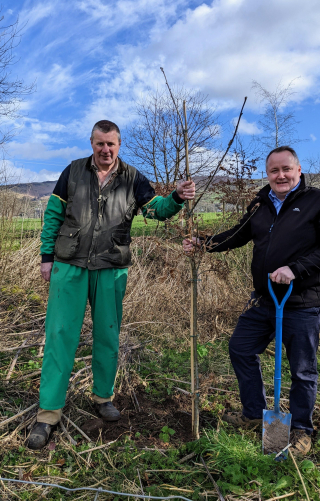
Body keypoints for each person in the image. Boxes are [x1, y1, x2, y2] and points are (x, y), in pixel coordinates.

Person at [28, 120, 195, 450]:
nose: (105, 150)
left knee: (108, 334)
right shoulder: (73, 172)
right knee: (60, 335)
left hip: (111, 268)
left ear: (119, 145)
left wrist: (175, 197)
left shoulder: (132, 178)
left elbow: (157, 210)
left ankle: (102, 397)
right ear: (92, 143)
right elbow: (53, 216)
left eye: (111, 144)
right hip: (68, 265)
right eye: (100, 143)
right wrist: (47, 256)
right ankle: (48, 413)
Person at [183, 146, 320, 455]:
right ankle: (255, 413)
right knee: (241, 349)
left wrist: (296, 269)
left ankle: (301, 429)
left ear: (298, 171)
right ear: (268, 174)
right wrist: (203, 244)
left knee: (302, 370)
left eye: (287, 169)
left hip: (302, 301)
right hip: (265, 300)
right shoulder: (260, 204)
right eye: (274, 171)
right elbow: (238, 235)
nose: (281, 175)